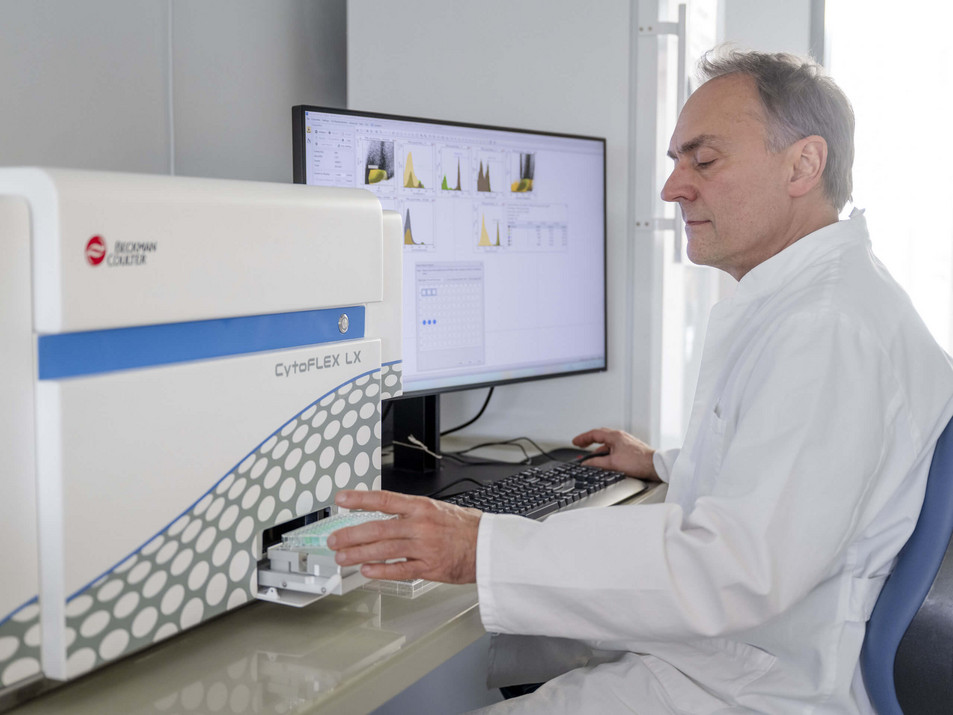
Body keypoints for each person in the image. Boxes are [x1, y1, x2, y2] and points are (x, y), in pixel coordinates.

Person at [328, 48, 953, 713]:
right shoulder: (823, 298)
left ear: (803, 165)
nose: (672, 188)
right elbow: (800, 473)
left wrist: (476, 547)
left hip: (756, 689)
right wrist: (662, 463)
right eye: (676, 161)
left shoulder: (828, 328)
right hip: (742, 661)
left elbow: (735, 573)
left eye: (702, 160)